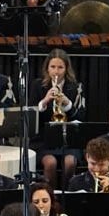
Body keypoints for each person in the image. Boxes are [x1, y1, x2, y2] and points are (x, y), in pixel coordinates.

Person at [29, 49, 86, 186]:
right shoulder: (37, 85)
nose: (56, 71)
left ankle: (68, 193)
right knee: (50, 163)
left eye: (60, 67)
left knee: (70, 162)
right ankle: (50, 195)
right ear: (47, 69)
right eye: (53, 67)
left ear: (66, 69)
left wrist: (67, 104)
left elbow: (81, 117)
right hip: (43, 140)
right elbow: (31, 117)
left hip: (69, 140)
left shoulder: (76, 87)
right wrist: (45, 101)